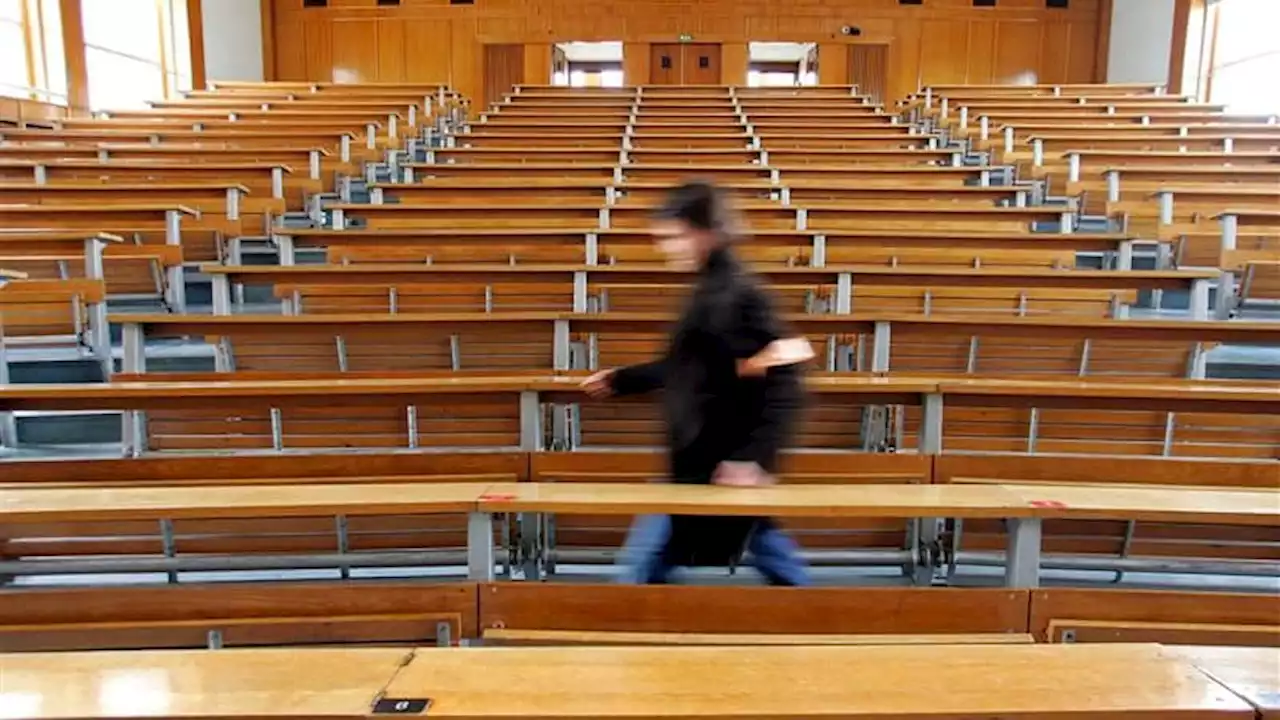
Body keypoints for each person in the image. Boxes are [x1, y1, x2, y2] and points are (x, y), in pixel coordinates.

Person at [581, 180, 813, 587]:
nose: (667, 247)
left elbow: (787, 377)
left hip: (722, 461)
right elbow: (691, 366)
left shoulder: (740, 294)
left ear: (703, 232)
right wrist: (623, 380)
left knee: (642, 568)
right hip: (703, 459)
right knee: (763, 551)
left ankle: (828, 625)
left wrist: (752, 458)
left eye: (674, 236)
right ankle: (824, 624)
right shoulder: (712, 288)